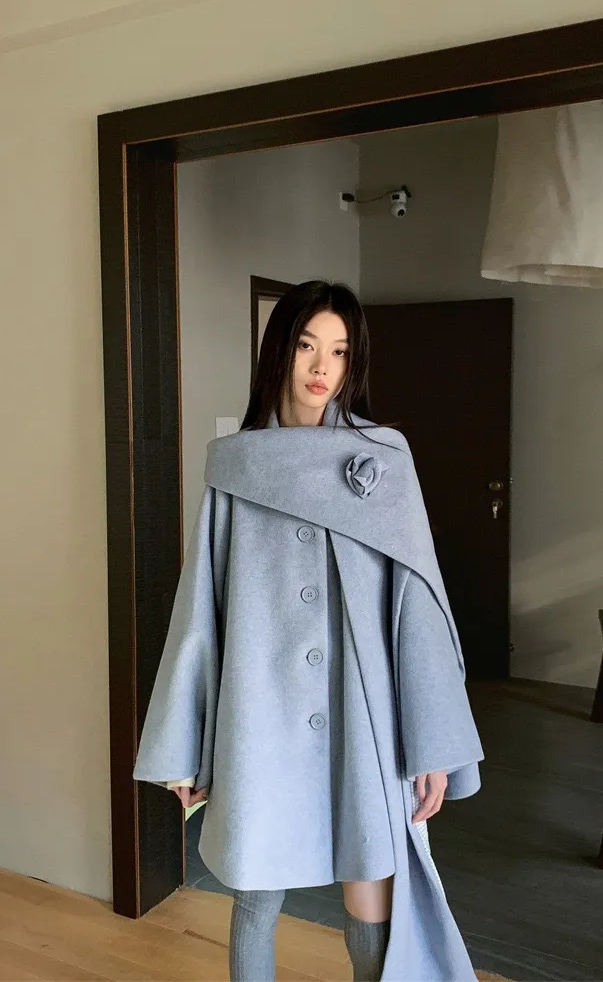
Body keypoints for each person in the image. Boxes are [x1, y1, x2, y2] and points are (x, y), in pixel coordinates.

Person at [133, 280, 485, 981]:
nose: (323, 367)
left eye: (340, 351)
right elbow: (202, 608)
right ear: (279, 352)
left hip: (364, 715)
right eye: (306, 346)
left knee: (371, 901)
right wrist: (185, 746)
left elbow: (417, 608)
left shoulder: (385, 460)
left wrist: (434, 743)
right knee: (255, 896)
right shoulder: (235, 464)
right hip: (258, 718)